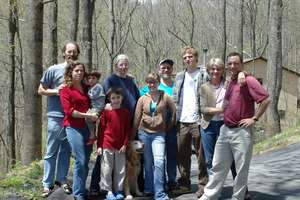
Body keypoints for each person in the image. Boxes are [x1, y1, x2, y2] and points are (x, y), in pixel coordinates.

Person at [199, 52, 270, 200]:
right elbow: (226, 104)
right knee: (218, 165)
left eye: (236, 63)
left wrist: (254, 118)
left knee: (241, 168)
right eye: (230, 63)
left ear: (241, 64)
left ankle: (238, 197)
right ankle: (210, 195)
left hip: (241, 131)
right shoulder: (231, 82)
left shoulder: (248, 80)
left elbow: (265, 99)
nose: (232, 66)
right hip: (225, 129)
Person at [89, 54, 140, 195]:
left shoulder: (130, 81)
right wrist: (106, 106)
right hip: (112, 125)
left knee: (125, 158)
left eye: (125, 64)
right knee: (104, 159)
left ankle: (127, 187)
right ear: (116, 65)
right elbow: (104, 98)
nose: (123, 67)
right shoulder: (110, 80)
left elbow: (138, 97)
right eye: (121, 64)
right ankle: (95, 187)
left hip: (128, 123)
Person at [38, 41, 80, 197]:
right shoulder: (53, 70)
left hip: (72, 117)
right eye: (69, 51)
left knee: (66, 150)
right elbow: (40, 90)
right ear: (64, 53)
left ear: (77, 54)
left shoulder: (79, 71)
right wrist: (56, 91)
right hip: (55, 116)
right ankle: (46, 184)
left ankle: (62, 180)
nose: (71, 54)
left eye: (74, 51)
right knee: (51, 150)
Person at [132, 72, 176, 200]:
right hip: (144, 133)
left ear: (158, 83)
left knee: (159, 161)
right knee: (148, 162)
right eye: (149, 82)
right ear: (147, 83)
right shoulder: (143, 98)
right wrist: (131, 136)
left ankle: (160, 192)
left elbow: (173, 112)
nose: (152, 85)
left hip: (159, 134)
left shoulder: (165, 96)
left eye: (154, 82)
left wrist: (167, 127)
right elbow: (136, 118)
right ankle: (149, 189)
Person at [172, 46, 208, 197]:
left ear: (196, 58)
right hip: (182, 120)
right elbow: (175, 98)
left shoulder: (203, 74)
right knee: (182, 154)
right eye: (185, 57)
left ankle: (203, 185)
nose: (188, 59)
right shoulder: (180, 76)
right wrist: (174, 117)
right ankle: (184, 184)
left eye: (190, 56)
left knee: (201, 155)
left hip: (198, 120)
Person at [60, 61, 98, 200]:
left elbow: (94, 105)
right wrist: (88, 115)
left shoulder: (86, 88)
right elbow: (69, 111)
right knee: (80, 160)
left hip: (87, 127)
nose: (79, 73)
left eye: (81, 71)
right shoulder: (65, 89)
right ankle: (78, 194)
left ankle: (80, 189)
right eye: (76, 71)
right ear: (71, 72)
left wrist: (93, 132)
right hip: (72, 126)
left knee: (86, 160)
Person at [140, 59, 178, 191]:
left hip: (170, 128)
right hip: (151, 130)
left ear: (172, 69)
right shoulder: (148, 88)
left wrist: (170, 125)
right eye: (163, 68)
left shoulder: (176, 85)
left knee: (171, 156)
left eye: (168, 67)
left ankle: (171, 182)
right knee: (155, 159)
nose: (166, 70)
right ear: (159, 69)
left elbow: (175, 109)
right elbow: (140, 106)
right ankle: (156, 186)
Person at [97, 87, 131, 200]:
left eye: (118, 97)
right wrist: (99, 146)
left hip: (121, 146)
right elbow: (101, 129)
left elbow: (127, 130)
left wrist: (125, 144)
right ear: (109, 99)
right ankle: (109, 191)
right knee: (107, 168)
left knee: (120, 169)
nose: (115, 100)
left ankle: (119, 190)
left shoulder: (125, 112)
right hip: (107, 144)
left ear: (122, 98)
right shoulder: (106, 112)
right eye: (113, 98)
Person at [85, 70, 105, 145]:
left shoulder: (98, 86)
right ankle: (93, 134)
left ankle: (93, 135)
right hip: (94, 107)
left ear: (97, 79)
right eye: (89, 78)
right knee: (88, 119)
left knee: (87, 117)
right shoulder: (92, 87)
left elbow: (92, 96)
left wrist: (87, 91)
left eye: (93, 78)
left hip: (98, 107)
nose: (91, 80)